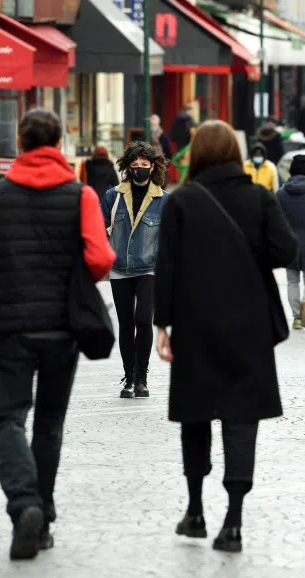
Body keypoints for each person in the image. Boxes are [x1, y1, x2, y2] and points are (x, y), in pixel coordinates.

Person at [0, 108, 115, 560]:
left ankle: (23, 503)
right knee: (49, 423)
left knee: (10, 419)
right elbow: (102, 259)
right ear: (59, 142)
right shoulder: (80, 194)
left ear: (21, 145)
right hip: (62, 327)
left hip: (10, 326)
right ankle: (42, 514)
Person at [154, 120, 297, 552]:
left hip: (195, 325)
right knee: (240, 421)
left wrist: (162, 326)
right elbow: (287, 250)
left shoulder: (182, 202)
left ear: (196, 154)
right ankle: (233, 521)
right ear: (236, 153)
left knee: (195, 417)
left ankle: (195, 510)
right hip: (249, 324)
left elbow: (167, 267)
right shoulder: (258, 196)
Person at [100, 142, 170, 399]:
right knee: (126, 324)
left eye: (144, 165)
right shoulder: (112, 197)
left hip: (149, 269)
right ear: (127, 167)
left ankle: (142, 377)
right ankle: (129, 378)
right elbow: (98, 229)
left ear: (153, 167)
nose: (139, 169)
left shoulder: (164, 200)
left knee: (143, 319)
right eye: (135, 165)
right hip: (120, 268)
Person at [277, 155, 305, 329]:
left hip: (289, 242)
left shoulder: (280, 193)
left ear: (291, 171)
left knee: (292, 281)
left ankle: (296, 316)